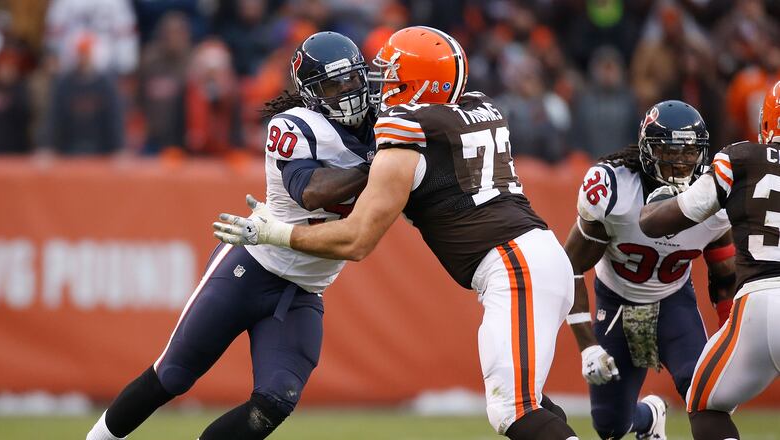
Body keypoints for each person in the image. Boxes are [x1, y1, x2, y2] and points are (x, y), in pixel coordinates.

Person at [214, 26, 579, 440]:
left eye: (392, 75)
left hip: (514, 266)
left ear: (419, 82)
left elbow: (355, 241)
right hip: (539, 255)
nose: (380, 86)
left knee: (513, 410)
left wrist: (275, 234)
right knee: (531, 401)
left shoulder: (406, 132)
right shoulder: (478, 106)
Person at [86, 31, 375, 440]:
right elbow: (310, 193)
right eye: (333, 83)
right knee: (172, 374)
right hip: (251, 267)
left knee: (275, 401)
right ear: (311, 94)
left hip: (303, 290)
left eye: (352, 79)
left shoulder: (385, 126)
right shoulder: (295, 125)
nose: (348, 91)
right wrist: (377, 167)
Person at [563, 100, 736, 440]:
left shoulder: (714, 197)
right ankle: (649, 417)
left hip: (674, 302)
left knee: (703, 394)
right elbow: (569, 267)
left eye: (689, 151)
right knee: (610, 426)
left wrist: (730, 337)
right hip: (616, 302)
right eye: (669, 150)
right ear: (647, 150)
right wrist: (587, 347)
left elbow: (725, 276)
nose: (681, 160)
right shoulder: (615, 190)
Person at [639, 80, 780, 440]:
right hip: (757, 299)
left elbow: (661, 220)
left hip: (759, 302)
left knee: (704, 404)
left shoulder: (741, 157)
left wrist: (657, 204)